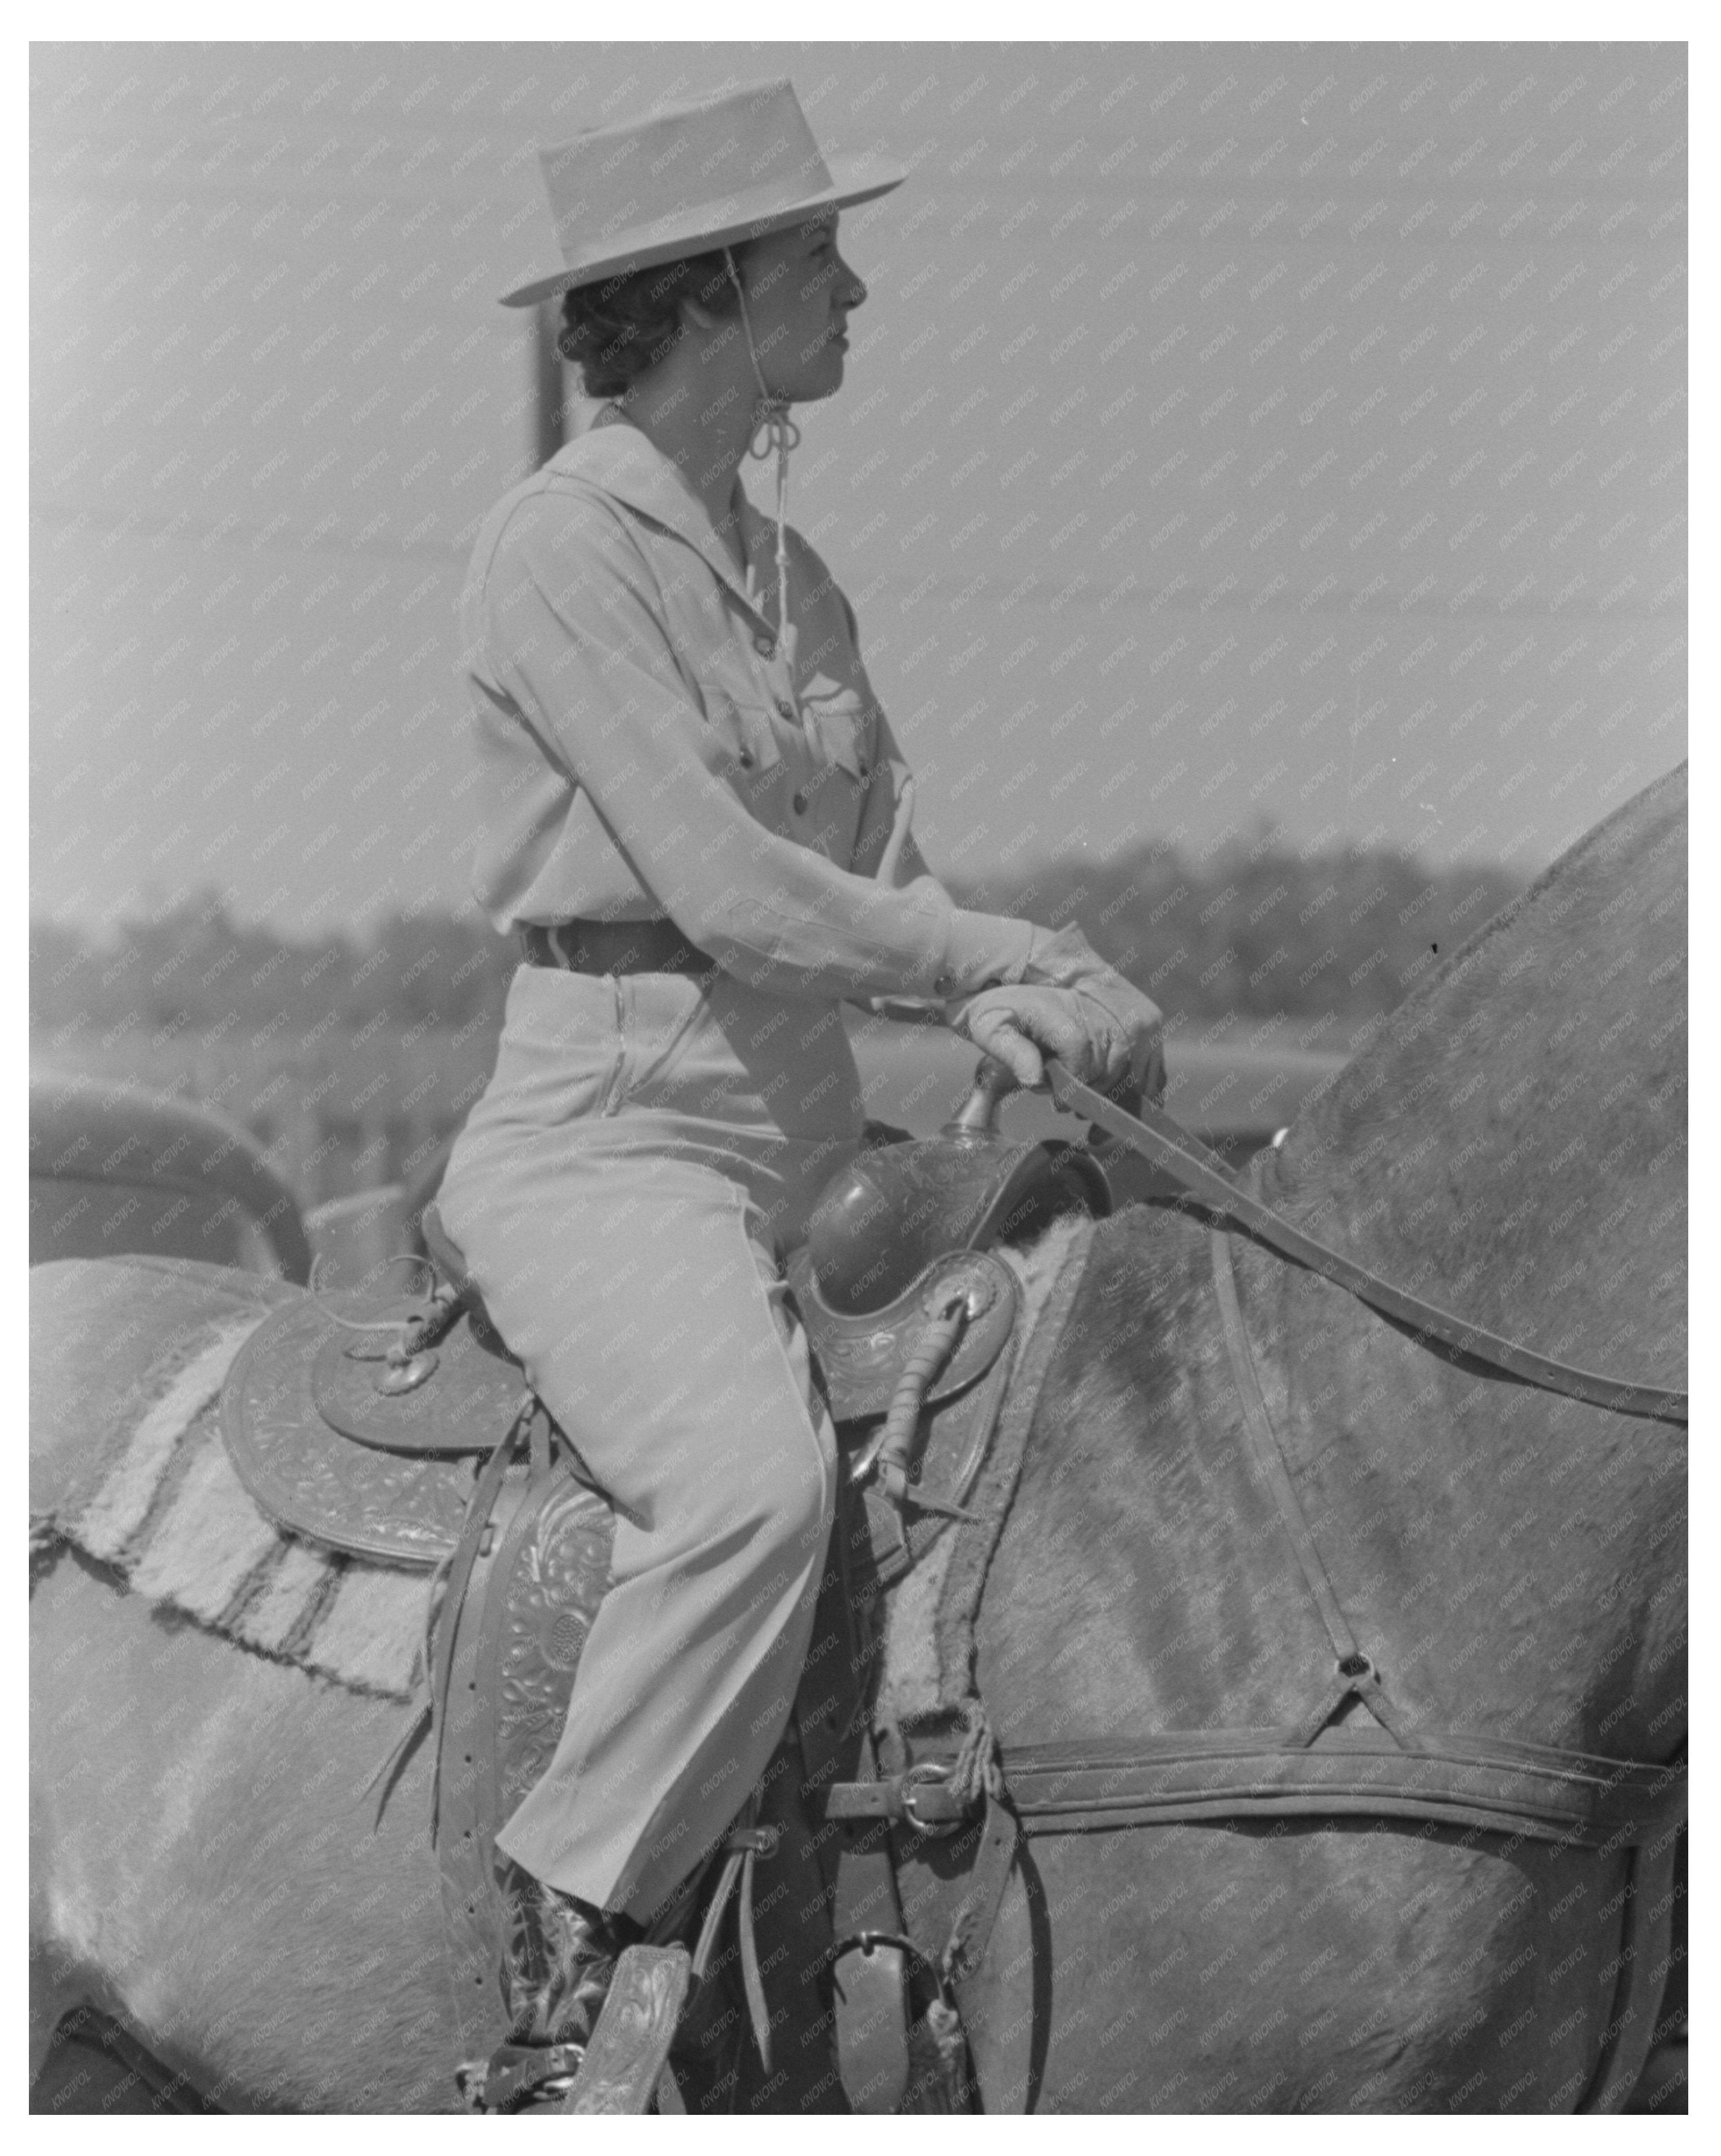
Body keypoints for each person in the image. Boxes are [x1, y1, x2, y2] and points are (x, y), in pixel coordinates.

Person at [436, 78, 1165, 2107]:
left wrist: (1006, 1006)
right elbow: (743, 892)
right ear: (718, 293)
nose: (859, 287)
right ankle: (568, 1944)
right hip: (610, 1153)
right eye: (821, 256)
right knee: (752, 1493)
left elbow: (887, 886)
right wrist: (992, 960)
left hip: (813, 1140)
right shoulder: (556, 551)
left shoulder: (791, 574)